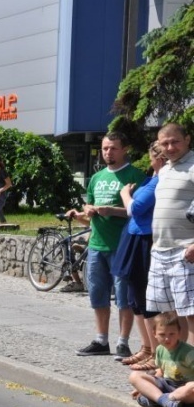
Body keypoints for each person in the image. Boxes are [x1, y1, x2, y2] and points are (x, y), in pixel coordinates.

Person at [67, 132, 145, 357]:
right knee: (97, 294)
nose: (108, 152)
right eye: (104, 148)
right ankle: (101, 340)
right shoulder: (97, 177)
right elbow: (89, 212)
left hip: (123, 246)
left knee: (123, 297)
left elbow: (140, 212)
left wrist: (112, 211)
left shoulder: (134, 175)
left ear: (124, 149)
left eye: (113, 148)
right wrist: (85, 212)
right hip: (97, 245)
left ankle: (123, 342)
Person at [113, 141, 166, 368]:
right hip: (134, 236)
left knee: (144, 297)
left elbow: (135, 208)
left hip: (144, 239)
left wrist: (125, 193)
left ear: (157, 158)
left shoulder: (159, 182)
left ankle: (155, 353)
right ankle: (146, 347)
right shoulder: (151, 179)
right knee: (135, 297)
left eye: (151, 156)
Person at [147, 123, 194, 344]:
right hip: (160, 250)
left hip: (186, 251)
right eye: (164, 143)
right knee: (166, 316)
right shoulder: (164, 170)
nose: (170, 147)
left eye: (175, 141)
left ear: (187, 139)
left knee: (191, 314)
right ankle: (172, 368)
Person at [129, 312, 194, 407]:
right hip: (167, 385)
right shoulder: (160, 349)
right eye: (162, 335)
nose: (167, 339)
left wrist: (187, 387)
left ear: (179, 332)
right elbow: (161, 372)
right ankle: (165, 401)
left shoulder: (188, 352)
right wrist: (142, 387)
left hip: (184, 389)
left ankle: (156, 399)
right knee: (134, 376)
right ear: (154, 333)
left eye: (172, 334)